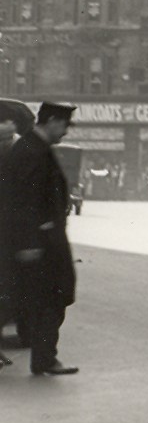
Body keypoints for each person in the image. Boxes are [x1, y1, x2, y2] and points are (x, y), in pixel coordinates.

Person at [1, 99, 80, 375]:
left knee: (26, 298)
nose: (66, 132)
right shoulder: (32, 151)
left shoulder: (33, 148)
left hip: (38, 241)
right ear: (52, 122)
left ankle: (45, 357)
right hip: (39, 243)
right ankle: (45, 358)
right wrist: (28, 243)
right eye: (64, 126)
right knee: (50, 297)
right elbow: (22, 202)